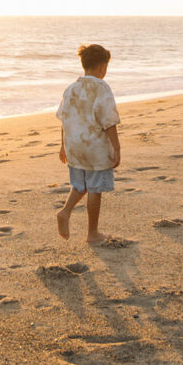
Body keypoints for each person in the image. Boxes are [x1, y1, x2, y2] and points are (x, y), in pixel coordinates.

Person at [56, 44, 121, 245]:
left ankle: (65, 212)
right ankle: (92, 233)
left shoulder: (72, 88)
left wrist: (62, 145)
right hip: (95, 148)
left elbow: (65, 118)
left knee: (79, 185)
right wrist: (116, 148)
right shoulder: (102, 87)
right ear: (102, 67)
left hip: (74, 145)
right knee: (94, 189)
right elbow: (108, 120)